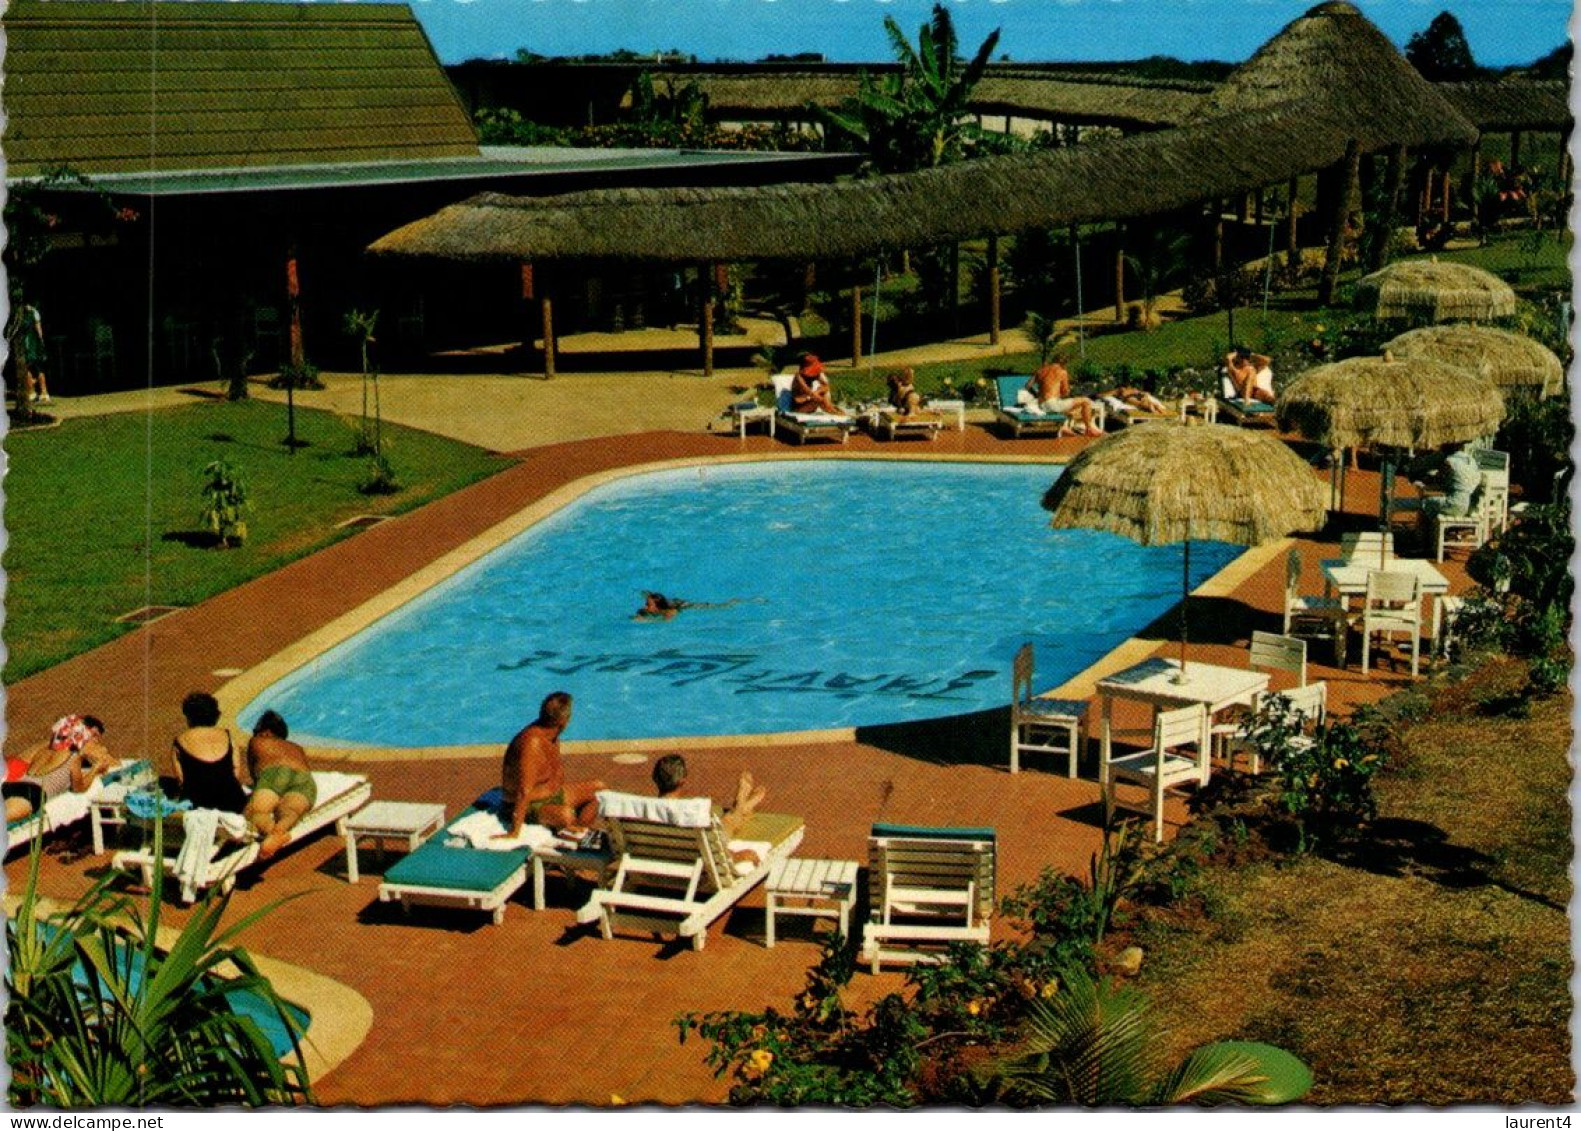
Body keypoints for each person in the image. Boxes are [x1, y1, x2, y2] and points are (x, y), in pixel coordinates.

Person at [497, 691, 604, 838]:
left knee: (600, 790)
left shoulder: (552, 734)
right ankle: (571, 828)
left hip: (553, 795)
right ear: (564, 721)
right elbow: (523, 792)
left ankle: (578, 833)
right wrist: (514, 832)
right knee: (566, 816)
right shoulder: (532, 743)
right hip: (528, 805)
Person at [651, 753, 767, 866]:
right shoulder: (691, 813)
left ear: (655, 778)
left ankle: (740, 807)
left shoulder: (645, 811)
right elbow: (715, 855)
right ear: (682, 781)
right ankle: (740, 807)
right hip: (695, 870)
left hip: (660, 866)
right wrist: (741, 855)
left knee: (725, 824)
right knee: (728, 823)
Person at [3, 714, 117, 823]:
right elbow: (78, 788)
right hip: (32, 792)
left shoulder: (45, 750)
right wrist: (95, 769)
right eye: (93, 735)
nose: (95, 741)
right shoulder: (75, 757)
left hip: (10, 786)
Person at [244, 711, 317, 860]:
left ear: (265, 731)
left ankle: (272, 833)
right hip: (305, 779)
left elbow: (253, 773)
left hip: (275, 773)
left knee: (253, 813)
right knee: (290, 811)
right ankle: (279, 831)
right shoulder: (296, 747)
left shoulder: (257, 740)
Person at [171, 691, 247, 813]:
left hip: (198, 801)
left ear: (189, 717)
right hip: (232, 801)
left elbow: (181, 780)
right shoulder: (228, 737)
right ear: (215, 715)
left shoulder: (180, 741)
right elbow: (236, 772)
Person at [1020, 356, 1103, 435]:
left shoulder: (1041, 370)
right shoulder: (1062, 372)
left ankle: (1064, 427)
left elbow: (1027, 386)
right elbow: (1066, 392)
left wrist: (1037, 395)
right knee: (1086, 401)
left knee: (1068, 406)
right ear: (1063, 363)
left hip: (1042, 405)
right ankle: (1089, 429)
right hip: (1053, 405)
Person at [14, 300, 50, 405]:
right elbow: (39, 330)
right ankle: (40, 392)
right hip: (32, 344)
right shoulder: (33, 312)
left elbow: (38, 330)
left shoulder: (24, 314)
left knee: (29, 367)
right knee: (36, 368)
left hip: (29, 344)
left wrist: (40, 342)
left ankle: (36, 392)